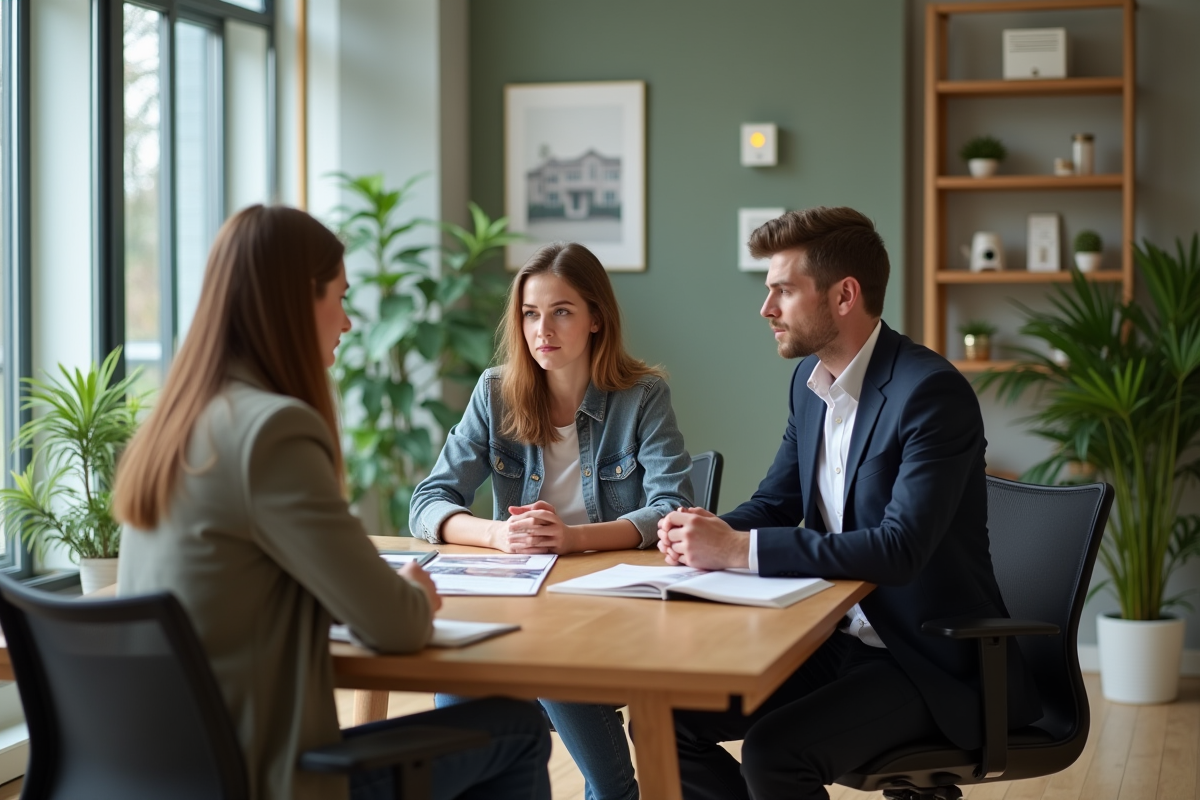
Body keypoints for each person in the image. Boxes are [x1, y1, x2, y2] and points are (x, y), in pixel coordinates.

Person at [113, 205, 551, 800]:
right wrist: (408, 593)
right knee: (518, 726)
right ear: (297, 300)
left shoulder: (175, 424)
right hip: (261, 780)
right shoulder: (273, 431)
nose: (346, 321)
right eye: (339, 297)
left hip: (161, 774)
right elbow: (395, 625)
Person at [656, 207, 1042, 800]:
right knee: (669, 720)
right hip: (834, 637)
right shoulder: (810, 385)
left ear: (844, 296)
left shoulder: (929, 392)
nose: (766, 309)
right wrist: (700, 533)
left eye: (784, 290)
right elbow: (775, 503)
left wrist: (735, 550)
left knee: (774, 753)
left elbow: (898, 550)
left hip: (925, 658)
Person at [410, 241, 693, 800]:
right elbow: (428, 501)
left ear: (595, 318)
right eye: (530, 313)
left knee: (553, 664)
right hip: (517, 603)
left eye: (562, 311)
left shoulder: (642, 396)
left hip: (608, 608)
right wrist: (499, 534)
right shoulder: (495, 392)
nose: (543, 329)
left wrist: (571, 539)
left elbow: (672, 508)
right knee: (458, 707)